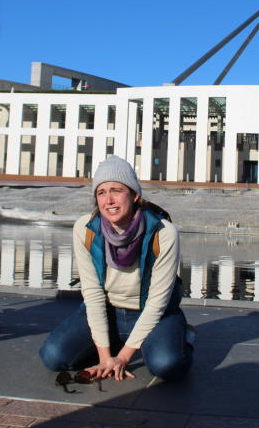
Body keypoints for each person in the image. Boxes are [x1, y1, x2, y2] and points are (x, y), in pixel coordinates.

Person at [39, 156, 193, 382]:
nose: (108, 200)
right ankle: (113, 340)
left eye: (116, 190)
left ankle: (182, 337)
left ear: (134, 195)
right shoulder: (85, 229)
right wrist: (105, 357)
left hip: (154, 314)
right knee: (53, 356)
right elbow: (92, 294)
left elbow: (157, 302)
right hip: (108, 311)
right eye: (101, 193)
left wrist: (122, 358)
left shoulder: (163, 233)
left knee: (167, 365)